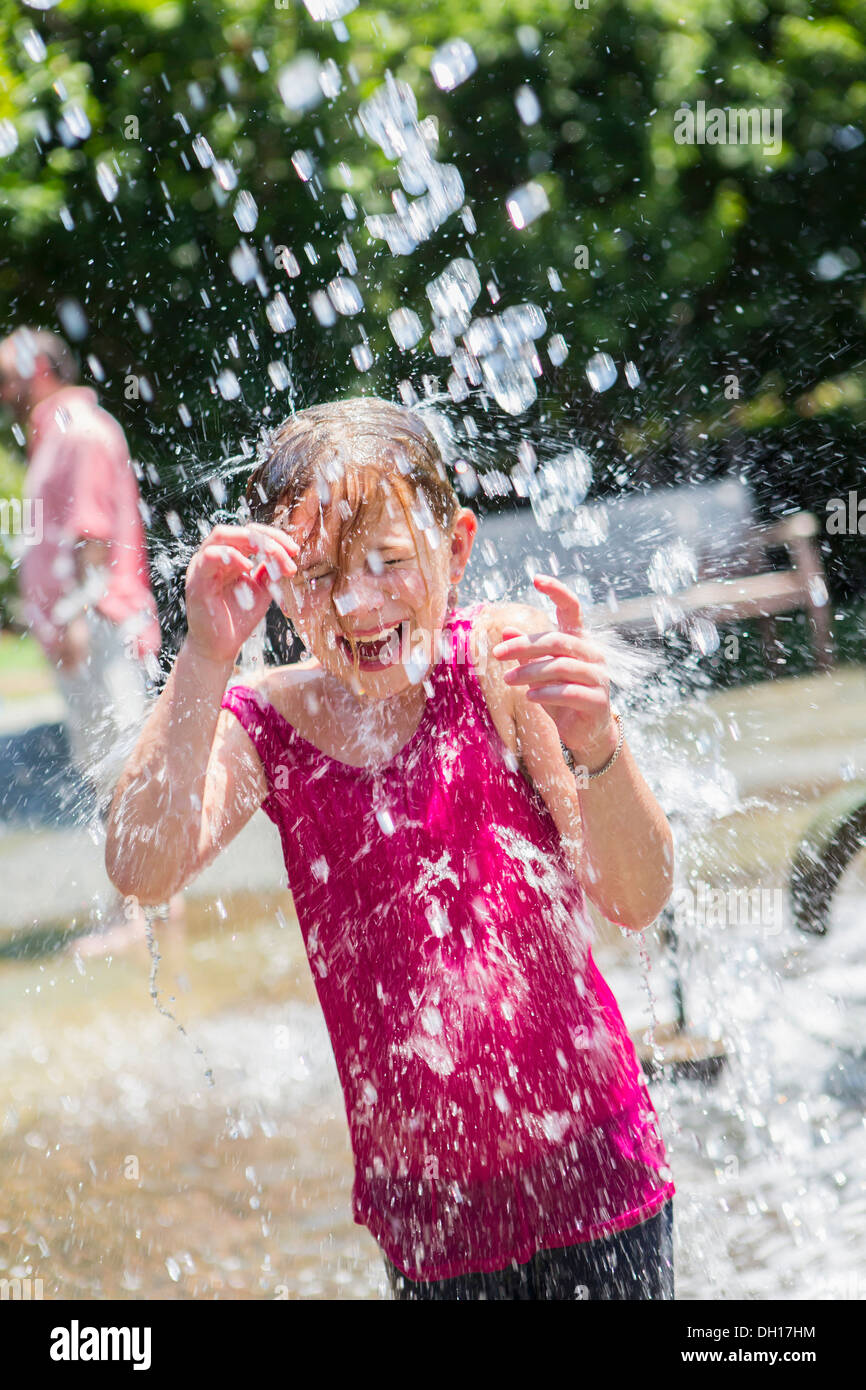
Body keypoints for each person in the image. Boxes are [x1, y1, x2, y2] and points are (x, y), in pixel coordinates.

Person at [104, 397, 676, 1300]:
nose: (359, 602)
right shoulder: (266, 724)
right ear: (280, 587)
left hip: (595, 1168)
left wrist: (599, 745)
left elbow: (636, 897)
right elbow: (142, 867)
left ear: (455, 548)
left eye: (391, 563)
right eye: (321, 574)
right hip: (430, 1214)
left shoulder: (499, 665)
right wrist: (206, 656)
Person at [0, 327, 170, 951]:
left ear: (39, 366)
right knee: (108, 767)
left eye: (4, 376)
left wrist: (71, 613)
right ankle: (144, 899)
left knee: (119, 764)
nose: (1, 390)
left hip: (96, 622)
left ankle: (133, 912)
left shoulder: (77, 427)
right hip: (84, 624)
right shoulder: (56, 429)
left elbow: (91, 533)